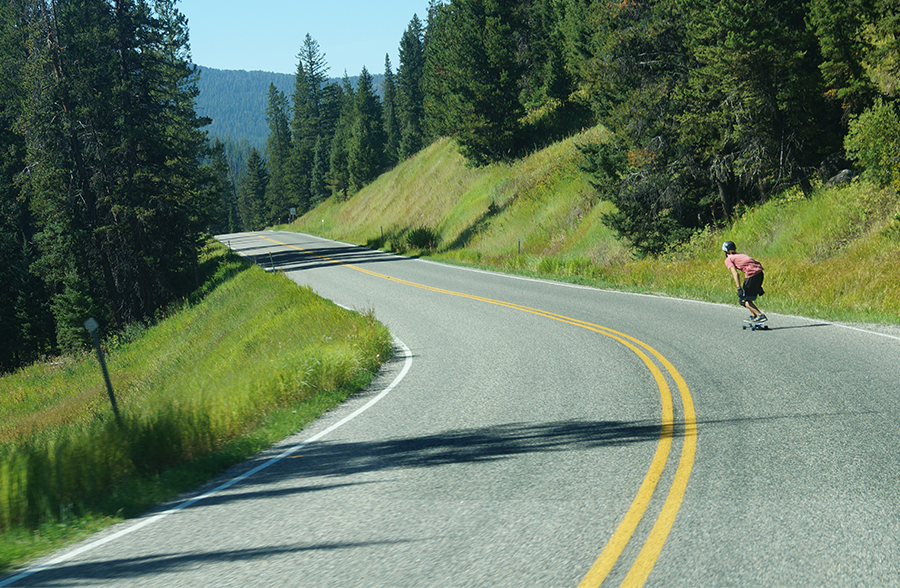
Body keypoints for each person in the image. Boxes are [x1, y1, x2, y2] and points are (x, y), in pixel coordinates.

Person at [722, 241, 767, 323]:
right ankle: (753, 316)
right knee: (748, 296)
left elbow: (735, 274)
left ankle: (760, 315)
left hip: (752, 275)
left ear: (725, 251)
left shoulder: (729, 259)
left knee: (743, 299)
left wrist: (739, 288)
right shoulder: (741, 255)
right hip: (760, 273)